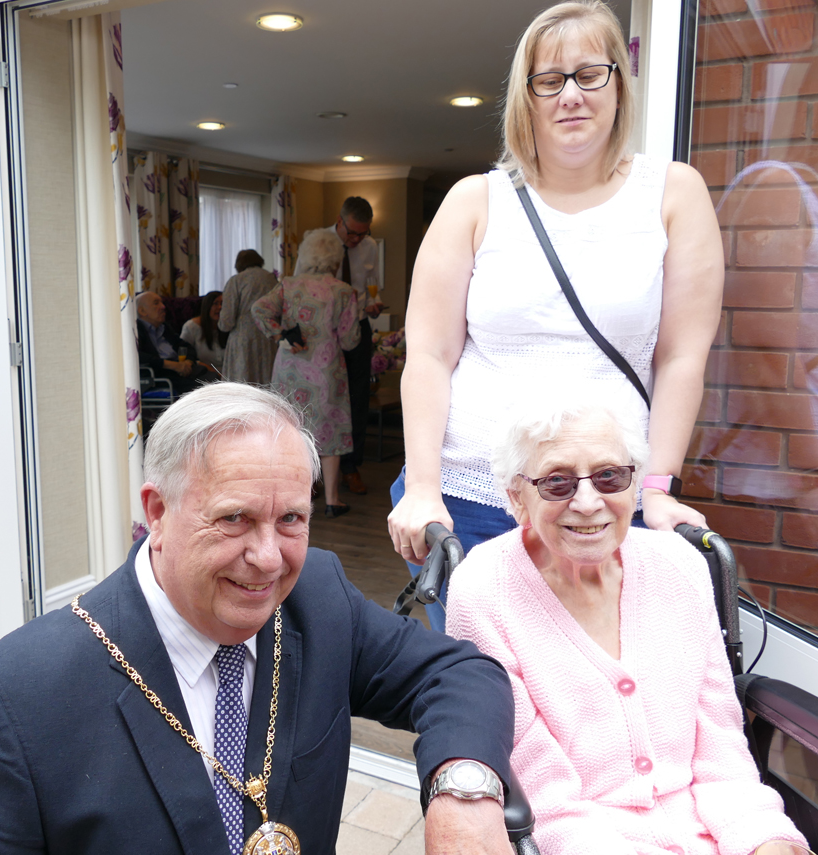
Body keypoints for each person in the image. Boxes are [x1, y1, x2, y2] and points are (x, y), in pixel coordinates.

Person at [0, 382, 516, 855]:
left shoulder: (317, 597)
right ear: (158, 511)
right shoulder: (16, 695)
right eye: (234, 519)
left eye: (290, 519)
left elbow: (459, 674)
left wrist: (462, 791)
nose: (268, 558)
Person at [387, 0, 724, 628]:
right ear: (528, 98)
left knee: (591, 682)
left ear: (620, 84)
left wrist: (657, 490)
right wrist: (424, 488)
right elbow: (429, 356)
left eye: (589, 74)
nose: (570, 95)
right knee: (487, 690)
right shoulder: (474, 201)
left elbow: (682, 357)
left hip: (602, 500)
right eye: (549, 80)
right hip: (473, 495)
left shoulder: (673, 193)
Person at [446, 392, 808, 855]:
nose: (588, 502)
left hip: (710, 832)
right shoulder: (484, 592)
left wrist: (764, 837)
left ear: (635, 484)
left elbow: (722, 752)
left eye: (609, 476)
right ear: (517, 497)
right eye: (557, 482)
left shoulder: (680, 566)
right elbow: (545, 796)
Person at [251, 229, 360, 518]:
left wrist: (280, 335)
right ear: (335, 258)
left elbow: (259, 309)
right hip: (327, 371)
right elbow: (350, 340)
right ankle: (333, 500)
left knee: (291, 427)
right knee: (331, 431)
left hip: (290, 368)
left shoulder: (288, 285)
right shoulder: (343, 291)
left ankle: (295, 498)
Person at [311, 196, 382, 496]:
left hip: (359, 325)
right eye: (351, 232)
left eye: (362, 234)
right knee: (322, 397)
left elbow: (373, 286)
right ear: (339, 222)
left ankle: (352, 466)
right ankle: (316, 470)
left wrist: (375, 303)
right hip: (324, 331)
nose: (356, 239)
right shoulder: (317, 242)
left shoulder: (370, 247)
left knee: (358, 396)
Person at [218, 249, 277, 385]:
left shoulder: (236, 281)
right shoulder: (271, 279)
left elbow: (226, 321)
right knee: (266, 384)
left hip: (243, 339)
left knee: (242, 385)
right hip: (268, 337)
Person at [137, 290, 207, 395]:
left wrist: (187, 362)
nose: (163, 306)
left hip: (179, 371)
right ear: (142, 311)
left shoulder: (164, 327)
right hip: (160, 375)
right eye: (156, 303)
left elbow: (186, 346)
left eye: (162, 302)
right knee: (202, 388)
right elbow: (139, 356)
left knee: (210, 377)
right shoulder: (136, 330)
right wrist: (172, 365)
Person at [181, 290, 225, 374]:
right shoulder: (191, 327)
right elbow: (184, 356)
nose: (220, 307)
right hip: (204, 374)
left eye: (222, 304)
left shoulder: (229, 327)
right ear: (207, 306)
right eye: (215, 303)